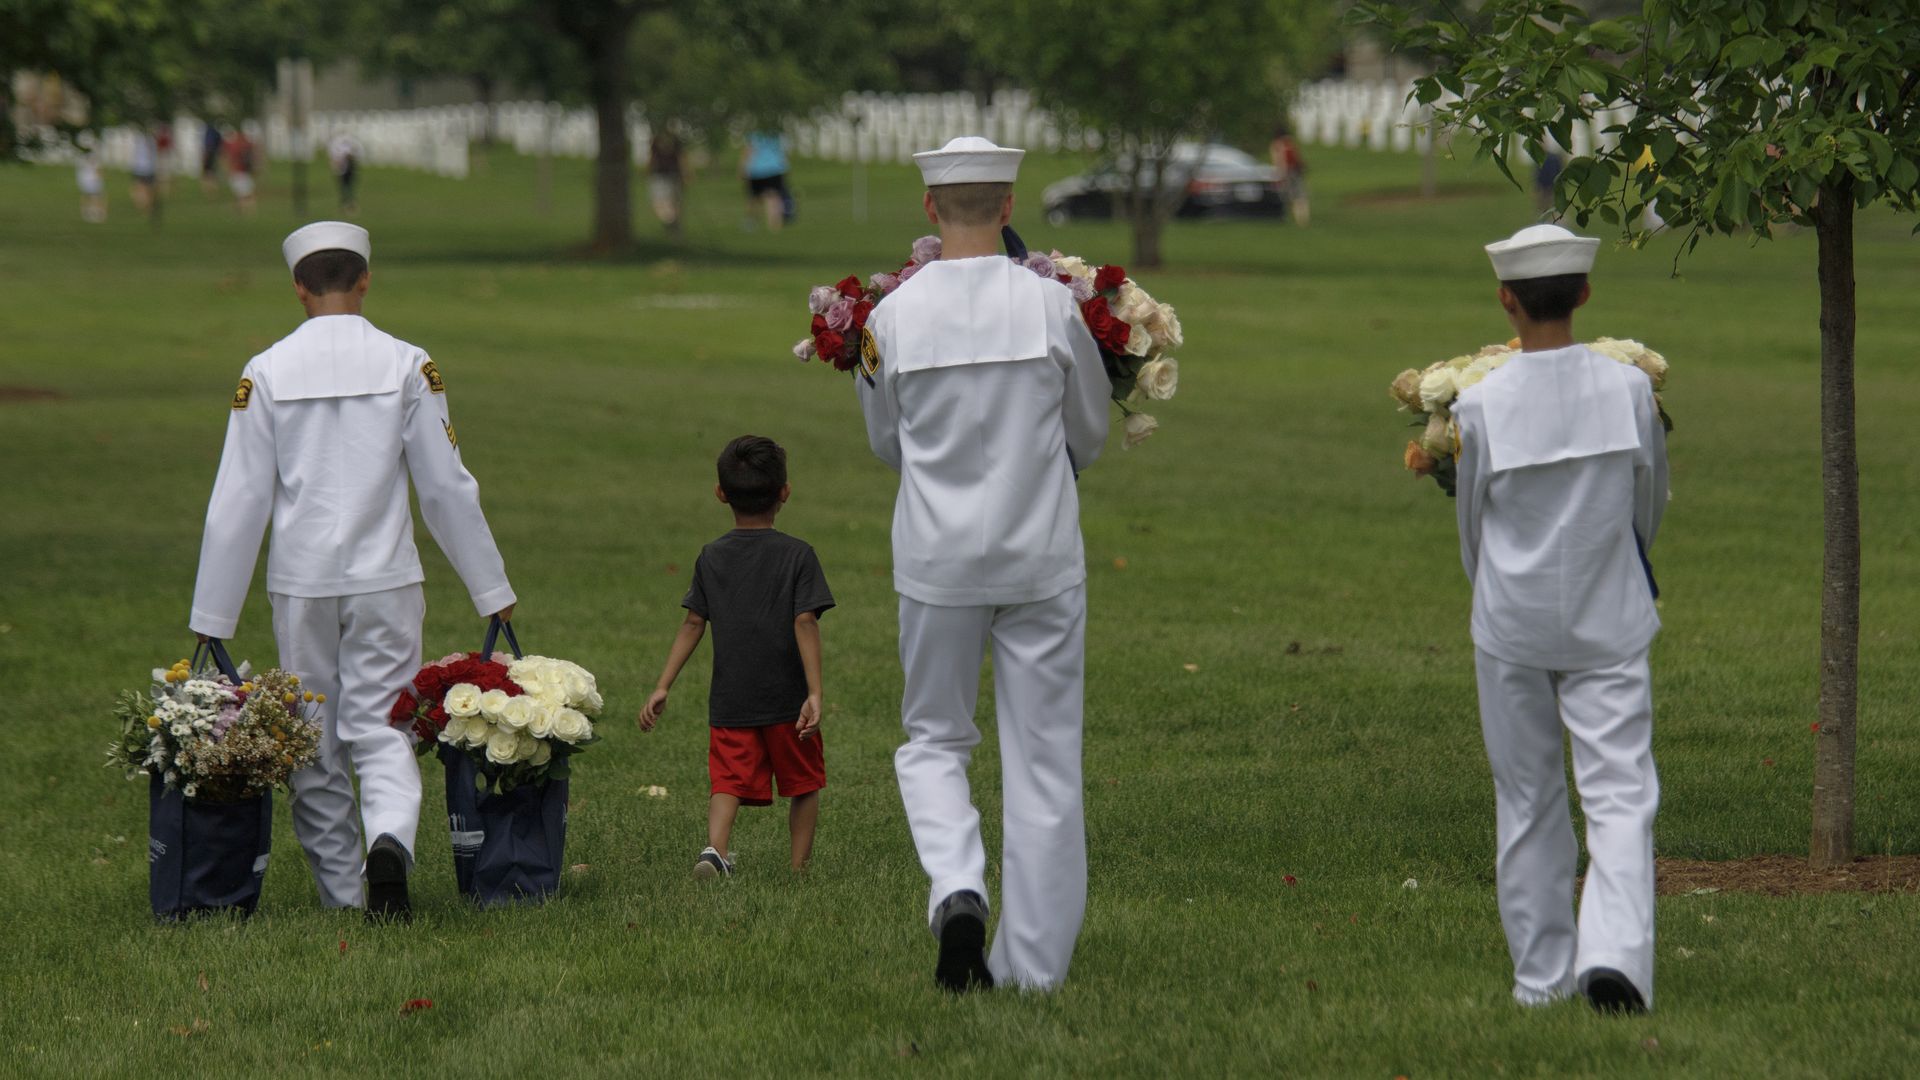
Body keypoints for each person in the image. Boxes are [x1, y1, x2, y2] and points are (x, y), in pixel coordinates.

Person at [188, 222, 518, 922]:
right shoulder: (407, 363)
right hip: (386, 578)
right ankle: (390, 842)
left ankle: (343, 896)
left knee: (312, 739)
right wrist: (491, 590)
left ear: (298, 287)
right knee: (381, 727)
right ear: (365, 281)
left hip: (301, 582)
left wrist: (212, 619)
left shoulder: (265, 370)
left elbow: (238, 499)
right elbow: (445, 486)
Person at [858, 136, 1111, 993]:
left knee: (933, 738)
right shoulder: (1049, 308)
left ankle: (957, 884)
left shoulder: (890, 318)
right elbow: (1087, 432)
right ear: (1008, 207)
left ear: (931, 209)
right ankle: (1032, 969)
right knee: (1043, 755)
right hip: (1040, 552)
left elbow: (886, 441)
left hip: (936, 559)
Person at [1452, 223, 1668, 1014]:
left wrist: (1493, 592)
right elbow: (1650, 502)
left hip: (1511, 620)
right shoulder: (1630, 390)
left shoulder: (1478, 403)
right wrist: (1622, 564)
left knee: (1529, 796)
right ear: (1583, 293)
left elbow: (1472, 523)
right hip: (1609, 617)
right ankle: (1613, 955)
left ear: (1506, 299)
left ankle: (1539, 979)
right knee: (1619, 793)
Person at [638, 436, 833, 878]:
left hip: (730, 698)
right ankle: (799, 869)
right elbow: (805, 622)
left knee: (727, 780)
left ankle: (716, 852)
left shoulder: (712, 556)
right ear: (785, 491)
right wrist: (815, 692)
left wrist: (663, 684)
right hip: (788, 700)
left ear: (720, 492)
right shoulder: (798, 555)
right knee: (803, 782)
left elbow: (692, 623)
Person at [740, 130, 791, 232]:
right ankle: (774, 225)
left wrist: (742, 167)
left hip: (757, 170)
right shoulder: (776, 133)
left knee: (754, 198)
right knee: (773, 197)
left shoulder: (755, 133)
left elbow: (749, 151)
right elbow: (783, 152)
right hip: (775, 169)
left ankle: (751, 222)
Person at [647, 126, 686, 238]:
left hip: (667, 175)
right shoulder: (660, 140)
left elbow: (681, 157)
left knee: (665, 202)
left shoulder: (672, 141)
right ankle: (672, 221)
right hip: (665, 174)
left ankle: (671, 221)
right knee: (668, 202)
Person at [1269, 123, 1309, 226]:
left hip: (1286, 172)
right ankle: (1303, 219)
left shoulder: (1277, 144)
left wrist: (1280, 173)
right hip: (1296, 171)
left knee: (1287, 196)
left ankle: (1287, 217)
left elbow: (1279, 160)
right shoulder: (1290, 143)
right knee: (1300, 195)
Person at [225, 126, 258, 216]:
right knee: (247, 194)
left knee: (243, 194)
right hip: (242, 172)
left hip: (238, 172)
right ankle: (247, 211)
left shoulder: (235, 144)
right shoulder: (245, 144)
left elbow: (231, 158)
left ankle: (243, 210)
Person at [328, 132, 362, 212]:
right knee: (343, 187)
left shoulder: (349, 147)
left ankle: (349, 203)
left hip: (349, 169)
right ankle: (345, 204)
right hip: (342, 169)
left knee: (349, 187)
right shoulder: (340, 146)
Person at [76, 145, 107, 223]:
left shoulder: (81, 159)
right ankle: (99, 213)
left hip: (85, 181)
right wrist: (100, 179)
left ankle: (85, 212)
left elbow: (80, 172)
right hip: (94, 181)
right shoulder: (95, 159)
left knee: (87, 197)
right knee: (97, 197)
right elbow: (98, 170)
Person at [200, 122, 225, 198]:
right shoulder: (217, 133)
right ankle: (212, 189)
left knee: (207, 173)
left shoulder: (209, 132)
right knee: (212, 172)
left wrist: (205, 156)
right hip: (215, 154)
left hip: (209, 154)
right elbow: (221, 144)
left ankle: (209, 190)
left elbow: (208, 145)